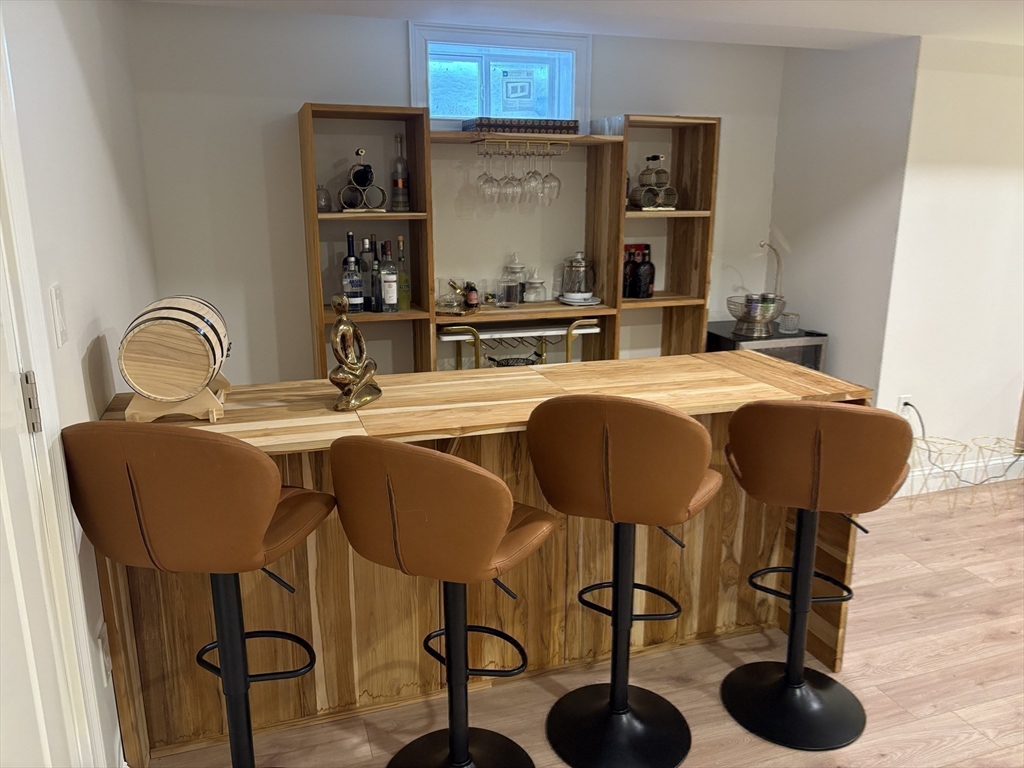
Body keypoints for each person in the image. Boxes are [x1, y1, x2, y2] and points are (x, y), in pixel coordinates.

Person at [328, 294, 382, 410]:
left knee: (371, 363)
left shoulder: (349, 323)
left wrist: (361, 359)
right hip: (347, 366)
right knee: (334, 376)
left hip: (356, 362)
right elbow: (337, 350)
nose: (344, 306)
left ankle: (354, 388)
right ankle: (362, 383)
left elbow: (361, 342)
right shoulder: (338, 327)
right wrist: (348, 365)